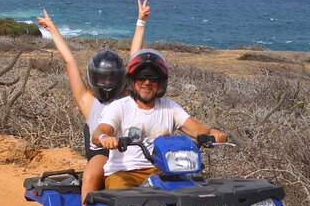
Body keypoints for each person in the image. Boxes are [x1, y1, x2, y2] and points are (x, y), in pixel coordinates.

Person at [36, 0, 151, 204]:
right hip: (103, 153)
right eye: (102, 78)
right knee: (90, 175)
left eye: (111, 77)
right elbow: (69, 60)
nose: (107, 83)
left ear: (120, 77)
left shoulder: (127, 96)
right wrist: (52, 29)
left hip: (131, 151)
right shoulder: (87, 100)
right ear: (94, 78)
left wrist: (140, 22)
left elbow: (135, 57)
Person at [91, 49, 227, 189]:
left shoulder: (170, 107)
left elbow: (196, 128)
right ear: (132, 80)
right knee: (122, 198)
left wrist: (212, 132)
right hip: (124, 172)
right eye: (141, 77)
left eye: (153, 78)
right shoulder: (119, 107)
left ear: (161, 82)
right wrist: (104, 138)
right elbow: (100, 131)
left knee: (192, 194)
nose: (147, 82)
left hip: (163, 171)